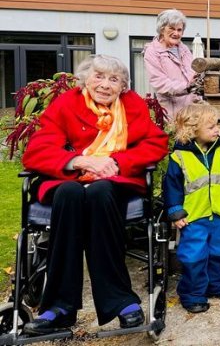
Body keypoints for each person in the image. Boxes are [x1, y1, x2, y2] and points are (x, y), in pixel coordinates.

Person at [21, 55, 168, 336]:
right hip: (69, 179)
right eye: (99, 76)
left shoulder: (132, 105)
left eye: (114, 79)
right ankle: (59, 307)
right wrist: (79, 161)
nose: (105, 85)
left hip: (114, 183)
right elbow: (37, 149)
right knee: (69, 193)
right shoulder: (66, 103)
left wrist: (117, 162)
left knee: (100, 192)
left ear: (123, 86)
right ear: (85, 79)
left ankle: (121, 300)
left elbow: (156, 142)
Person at [163, 103, 220, 314]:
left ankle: (217, 286)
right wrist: (175, 210)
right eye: (211, 127)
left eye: (216, 125)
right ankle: (193, 294)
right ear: (192, 129)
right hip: (194, 216)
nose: (216, 130)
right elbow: (171, 185)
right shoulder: (179, 156)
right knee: (194, 256)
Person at [143, 8, 198, 121]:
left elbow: (192, 72)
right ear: (162, 29)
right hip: (173, 111)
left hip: (193, 108)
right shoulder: (152, 51)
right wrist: (187, 87)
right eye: (172, 28)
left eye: (179, 30)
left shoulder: (184, 48)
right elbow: (160, 83)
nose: (176, 33)